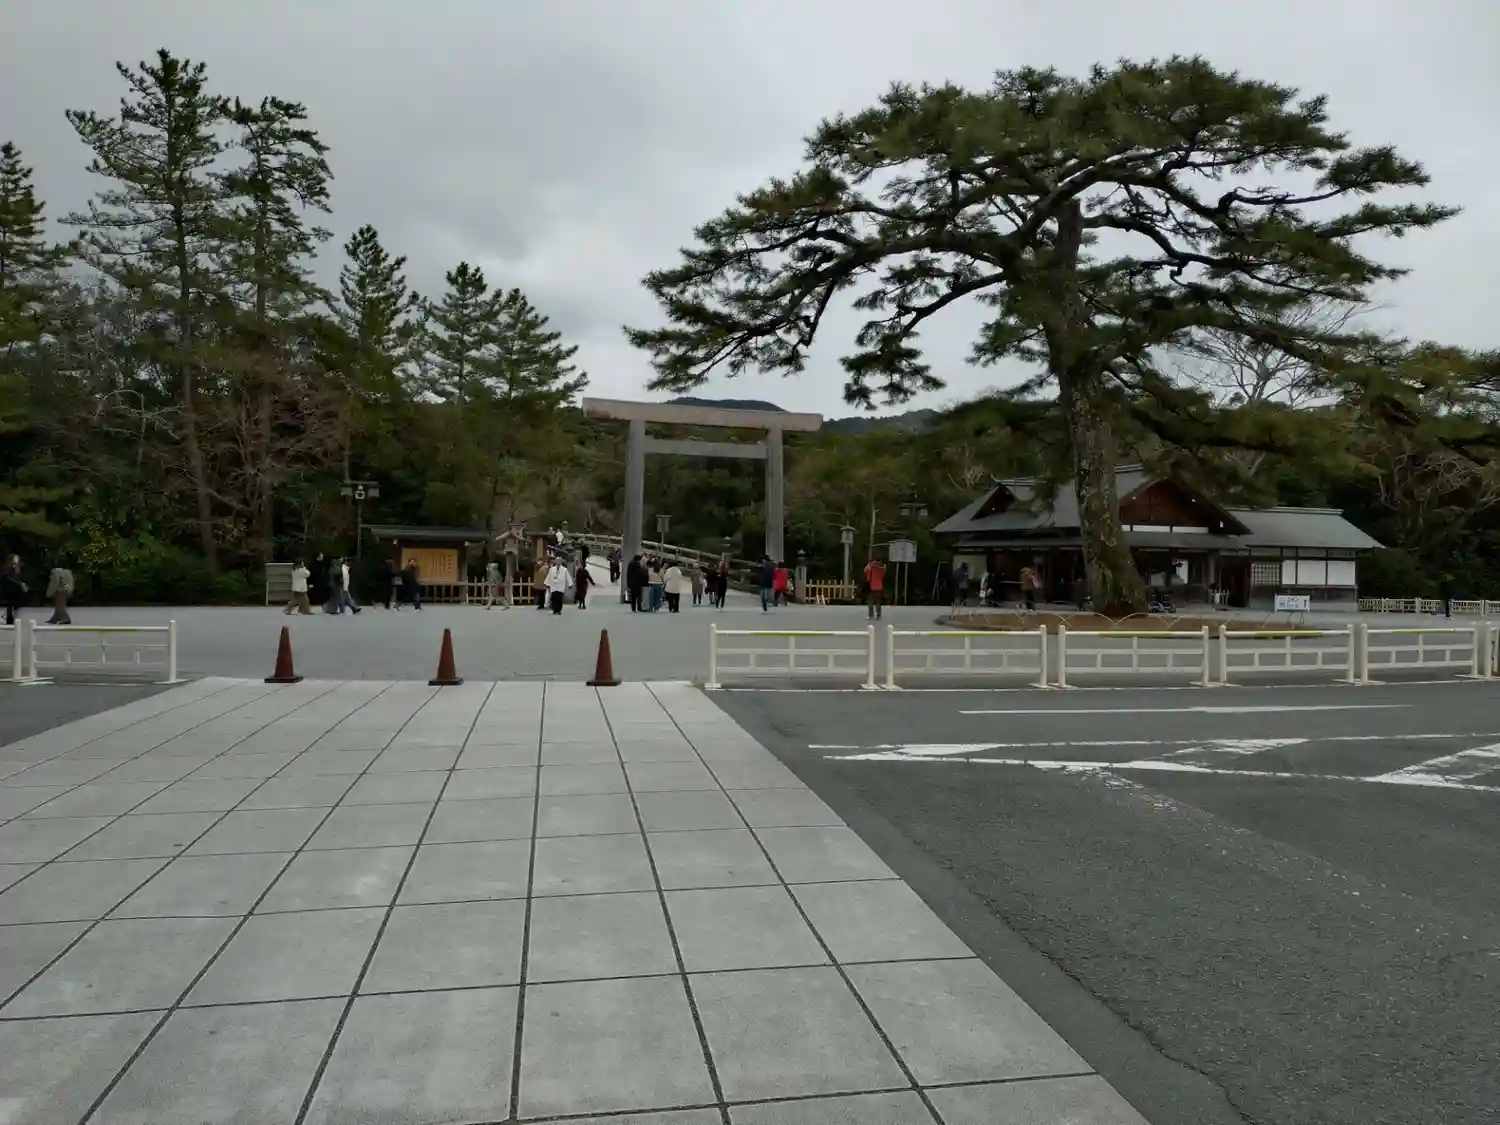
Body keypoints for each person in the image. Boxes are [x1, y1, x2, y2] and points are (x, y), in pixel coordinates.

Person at [45, 558, 74, 625]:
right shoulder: (68, 572)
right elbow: (69, 582)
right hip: (67, 589)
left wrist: (49, 592)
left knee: (60, 605)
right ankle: (55, 618)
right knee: (60, 605)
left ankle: (65, 618)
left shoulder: (56, 571)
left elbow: (55, 582)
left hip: (60, 589)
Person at [1, 555, 25, 626]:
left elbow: (17, 577)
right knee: (10, 604)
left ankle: (10, 617)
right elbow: (7, 577)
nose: (17, 560)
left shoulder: (16, 568)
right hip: (9, 589)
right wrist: (18, 584)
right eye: (16, 558)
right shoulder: (7, 568)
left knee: (15, 604)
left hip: (15, 589)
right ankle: (9, 619)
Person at [864, 556, 886, 620]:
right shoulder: (882, 567)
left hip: (872, 586)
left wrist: (870, 563)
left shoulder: (872, 566)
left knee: (870, 601)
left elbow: (865, 570)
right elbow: (883, 575)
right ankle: (878, 615)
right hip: (879, 586)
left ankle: (871, 615)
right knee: (878, 601)